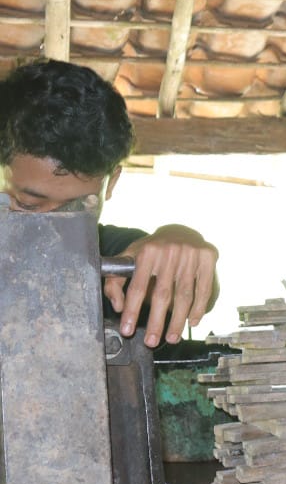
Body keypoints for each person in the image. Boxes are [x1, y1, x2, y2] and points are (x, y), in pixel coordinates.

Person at [0, 60, 219, 347]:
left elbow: (187, 284)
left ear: (111, 182)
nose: (55, 231)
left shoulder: (118, 254)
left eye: (78, 209)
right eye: (29, 205)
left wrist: (181, 240)